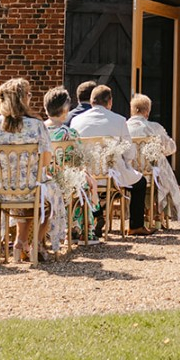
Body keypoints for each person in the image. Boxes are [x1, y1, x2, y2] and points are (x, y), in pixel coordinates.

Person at [0, 78, 66, 261]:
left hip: (1, 191)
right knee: (51, 193)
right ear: (22, 99)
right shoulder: (36, 125)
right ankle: (36, 243)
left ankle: (21, 240)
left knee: (27, 190)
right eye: (28, 94)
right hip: (30, 189)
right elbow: (45, 161)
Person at [71, 84, 150, 236]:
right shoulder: (119, 120)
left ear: (92, 101)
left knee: (99, 190)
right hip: (111, 175)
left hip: (86, 177)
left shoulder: (76, 121)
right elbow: (129, 153)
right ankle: (135, 225)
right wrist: (125, 163)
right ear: (110, 102)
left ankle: (96, 215)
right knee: (140, 183)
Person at [43, 86, 101, 243]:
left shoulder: (39, 130)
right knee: (84, 182)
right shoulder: (70, 134)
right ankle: (82, 231)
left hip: (43, 180)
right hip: (65, 182)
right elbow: (79, 161)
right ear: (65, 110)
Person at [127, 94, 180, 223]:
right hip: (150, 172)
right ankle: (158, 215)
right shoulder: (154, 127)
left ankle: (147, 213)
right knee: (162, 171)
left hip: (129, 172)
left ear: (132, 109)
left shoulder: (124, 127)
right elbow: (171, 148)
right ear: (147, 111)